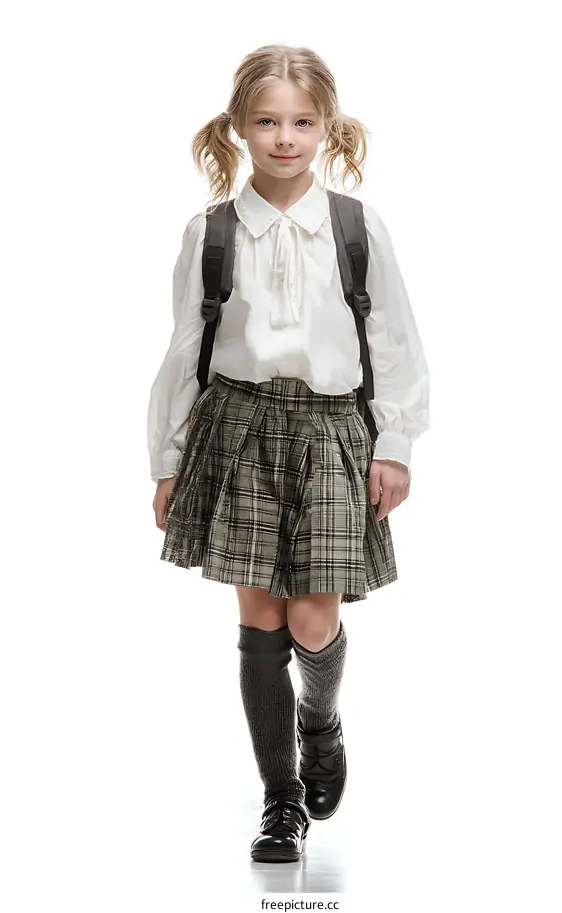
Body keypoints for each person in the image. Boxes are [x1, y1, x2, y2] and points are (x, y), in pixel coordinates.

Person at [147, 43, 430, 864]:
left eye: (302, 122)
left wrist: (397, 442)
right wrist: (167, 459)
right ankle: (282, 800)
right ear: (238, 127)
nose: (283, 137)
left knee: (315, 616)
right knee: (260, 616)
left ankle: (319, 720)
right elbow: (183, 350)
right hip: (236, 431)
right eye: (266, 120)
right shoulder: (212, 231)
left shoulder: (354, 226)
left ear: (327, 128)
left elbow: (395, 339)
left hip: (334, 430)